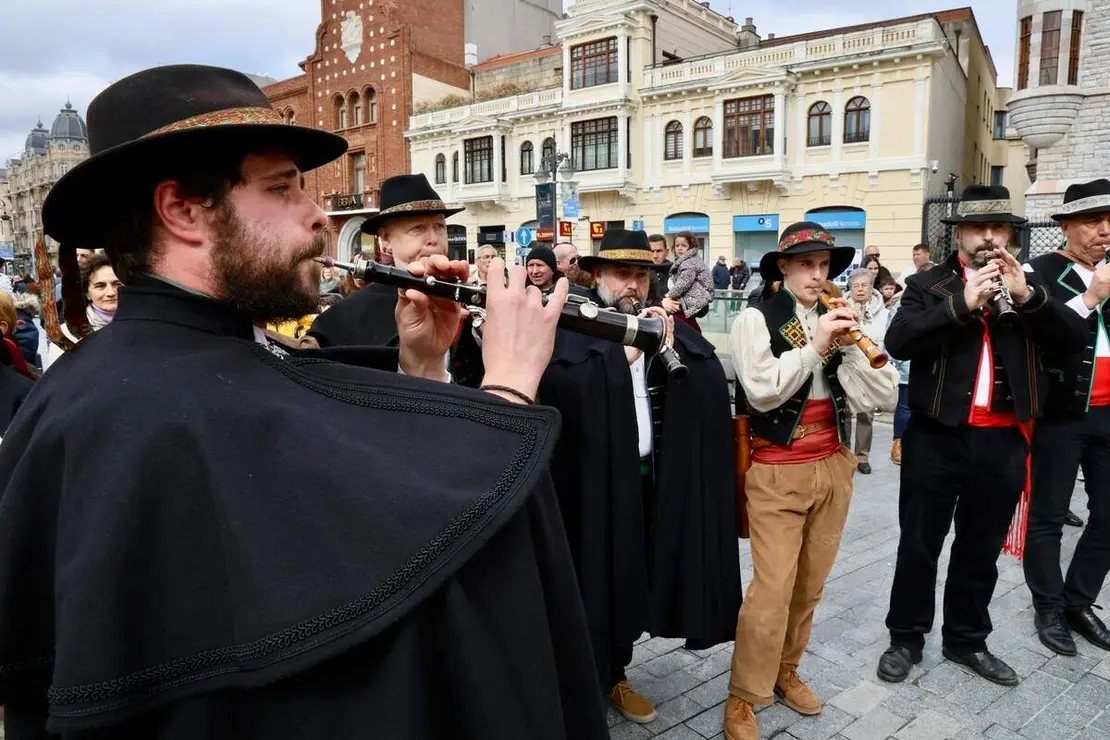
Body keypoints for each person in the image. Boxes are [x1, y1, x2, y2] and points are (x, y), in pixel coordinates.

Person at [0, 64, 609, 740]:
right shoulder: (162, 409)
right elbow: (404, 620)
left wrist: (422, 366)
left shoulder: (127, 377)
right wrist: (510, 388)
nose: (317, 215)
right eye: (281, 188)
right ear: (183, 212)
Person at [877, 184, 1087, 688]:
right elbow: (898, 340)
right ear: (959, 235)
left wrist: (1028, 297)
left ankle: (966, 639)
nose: (989, 237)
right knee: (919, 544)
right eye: (977, 228)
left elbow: (1073, 339)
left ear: (1011, 236)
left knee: (980, 548)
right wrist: (961, 304)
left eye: (998, 228)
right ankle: (906, 638)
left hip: (1004, 440)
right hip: (935, 436)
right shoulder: (929, 283)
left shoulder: (1032, 283)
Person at [538, 229, 741, 725]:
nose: (632, 285)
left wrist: (671, 342)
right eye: (622, 274)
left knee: (632, 577)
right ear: (598, 276)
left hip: (646, 477)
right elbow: (558, 389)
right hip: (588, 485)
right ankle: (580, 680)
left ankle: (616, 673)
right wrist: (619, 356)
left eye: (641, 276)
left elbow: (708, 383)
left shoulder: (663, 325)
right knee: (591, 581)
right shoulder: (572, 324)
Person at [724, 222, 898, 740]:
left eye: (824, 266)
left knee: (809, 586)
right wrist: (817, 344)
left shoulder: (834, 318)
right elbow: (762, 391)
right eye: (806, 265)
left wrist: (853, 345)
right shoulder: (757, 318)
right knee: (771, 590)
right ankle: (744, 693)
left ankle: (785, 670)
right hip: (777, 468)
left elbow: (882, 397)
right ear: (783, 267)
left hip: (833, 465)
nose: (818, 275)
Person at [1022, 179, 1110, 656]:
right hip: (1061, 413)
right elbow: (1040, 332)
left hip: (1109, 414)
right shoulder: (1040, 271)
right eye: (1094, 222)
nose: (1105, 231)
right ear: (1066, 226)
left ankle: (1078, 601)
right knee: (1049, 516)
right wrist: (1091, 295)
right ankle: (1048, 606)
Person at [306, 174, 463, 349]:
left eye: (439, 226)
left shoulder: (466, 298)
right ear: (386, 239)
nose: (433, 239)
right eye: (417, 228)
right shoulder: (342, 321)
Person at [41, 254, 122, 370]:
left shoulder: (143, 325)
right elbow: (58, 377)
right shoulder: (67, 334)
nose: (111, 292)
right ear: (87, 293)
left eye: (117, 284)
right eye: (100, 286)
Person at [845, 268, 889, 475]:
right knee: (844, 414)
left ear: (872, 287)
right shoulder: (840, 308)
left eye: (864, 285)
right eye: (855, 286)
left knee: (866, 414)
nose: (860, 289)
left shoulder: (884, 312)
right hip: (846, 365)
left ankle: (862, 457)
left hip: (871, 367)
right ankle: (844, 454)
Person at [664, 231, 713, 333]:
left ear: (690, 247)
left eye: (683, 245)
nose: (679, 248)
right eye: (677, 245)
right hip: (699, 295)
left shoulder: (689, 262)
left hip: (699, 296)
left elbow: (683, 283)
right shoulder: (686, 260)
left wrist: (669, 296)